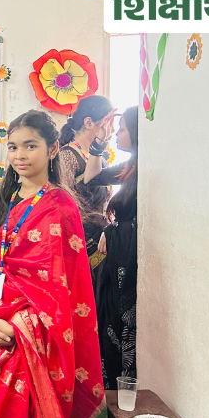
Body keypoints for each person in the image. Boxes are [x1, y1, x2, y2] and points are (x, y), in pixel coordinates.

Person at [0, 110, 110, 418]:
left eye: (30, 146)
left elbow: (66, 287)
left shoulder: (61, 207)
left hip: (34, 335)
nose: (20, 155)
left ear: (52, 149)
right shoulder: (2, 200)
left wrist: (22, 326)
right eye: (13, 147)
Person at [87, 106, 139, 390]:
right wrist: (98, 146)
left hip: (127, 260)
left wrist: (113, 230)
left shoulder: (146, 166)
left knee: (123, 323)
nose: (117, 133)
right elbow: (92, 178)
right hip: (118, 254)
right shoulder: (129, 166)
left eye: (122, 129)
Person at [59, 95, 117, 270]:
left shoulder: (97, 157)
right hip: (80, 244)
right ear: (89, 122)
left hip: (102, 240)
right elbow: (63, 207)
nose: (112, 130)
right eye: (108, 123)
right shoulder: (67, 155)